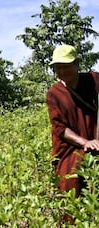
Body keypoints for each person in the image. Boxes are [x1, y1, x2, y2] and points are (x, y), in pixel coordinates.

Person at [46, 44, 99, 196]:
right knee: (70, 181)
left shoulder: (94, 80)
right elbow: (60, 128)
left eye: (65, 66)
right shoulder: (54, 94)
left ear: (77, 63)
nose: (61, 72)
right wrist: (86, 143)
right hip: (71, 148)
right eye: (57, 68)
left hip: (96, 140)